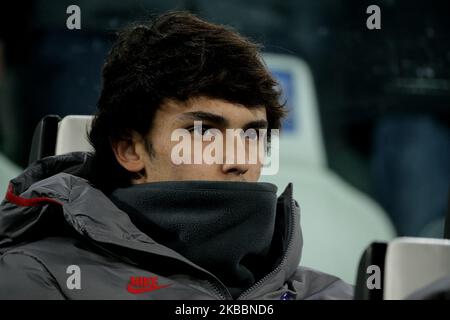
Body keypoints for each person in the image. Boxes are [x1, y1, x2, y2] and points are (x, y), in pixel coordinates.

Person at [0, 11, 352, 300]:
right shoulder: (37, 280)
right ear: (129, 149)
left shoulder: (326, 293)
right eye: (203, 132)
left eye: (252, 135)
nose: (238, 161)